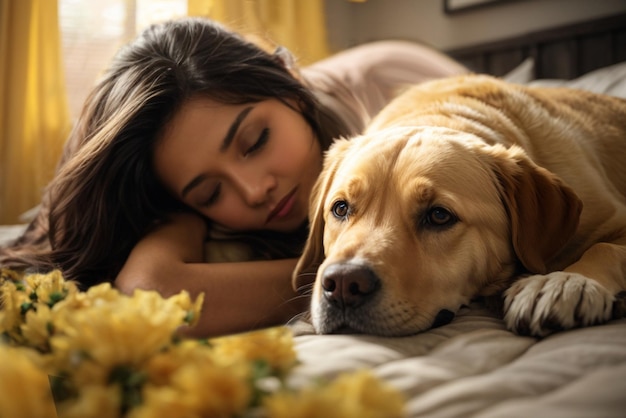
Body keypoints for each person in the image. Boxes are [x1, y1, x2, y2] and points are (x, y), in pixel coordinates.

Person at [0, 17, 467, 337]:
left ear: (291, 86)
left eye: (255, 141)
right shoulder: (181, 198)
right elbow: (149, 291)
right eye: (211, 191)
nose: (253, 190)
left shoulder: (397, 89)